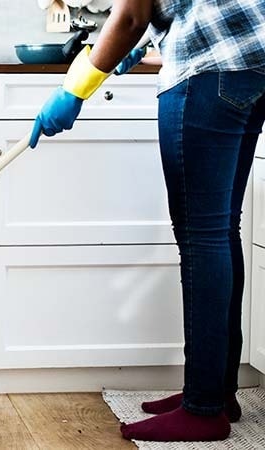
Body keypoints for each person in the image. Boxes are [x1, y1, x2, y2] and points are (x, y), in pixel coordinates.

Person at [30, 0, 265, 443]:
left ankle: (203, 410)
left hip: (209, 71)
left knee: (202, 238)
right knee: (219, 232)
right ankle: (216, 392)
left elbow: (130, 15)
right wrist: (156, 42)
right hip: (252, 67)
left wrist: (75, 88)